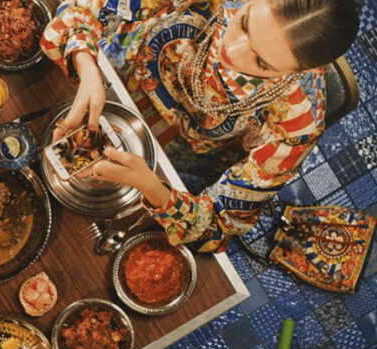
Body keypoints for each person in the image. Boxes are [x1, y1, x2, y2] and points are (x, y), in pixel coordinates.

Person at [41, 0, 360, 252]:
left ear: (305, 70)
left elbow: (220, 224)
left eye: (262, 63)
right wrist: (86, 65)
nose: (231, 50)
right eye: (245, 24)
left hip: (170, 160)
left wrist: (152, 187)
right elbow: (86, 8)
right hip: (104, 75)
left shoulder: (298, 122)